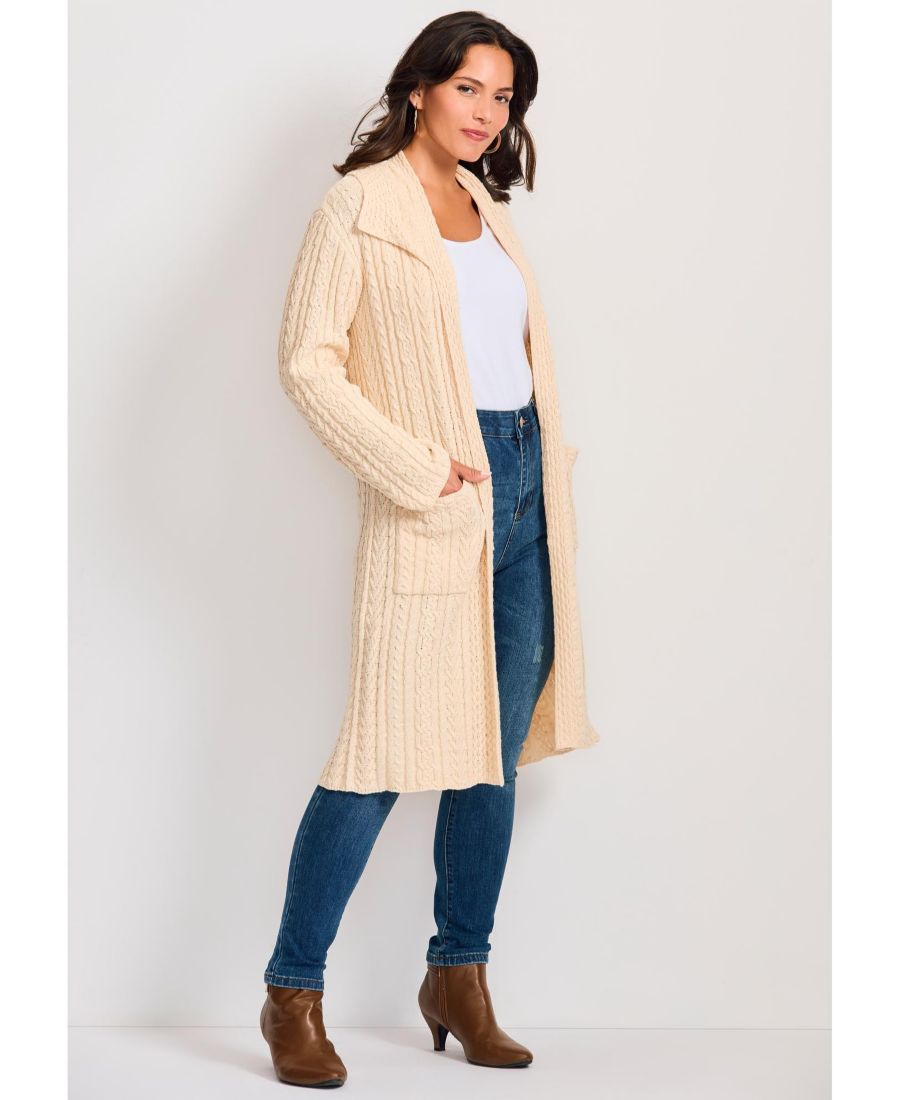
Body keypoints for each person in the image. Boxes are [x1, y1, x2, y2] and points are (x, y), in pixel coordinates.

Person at [259, 12, 599, 1088]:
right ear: (419, 88)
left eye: (504, 98)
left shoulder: (487, 207)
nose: (487, 113)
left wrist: (533, 470)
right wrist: (414, 466)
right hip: (436, 497)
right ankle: (292, 990)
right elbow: (307, 362)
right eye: (469, 89)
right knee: (378, 756)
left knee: (490, 756)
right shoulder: (358, 207)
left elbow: (508, 357)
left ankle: (459, 974)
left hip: (525, 497)